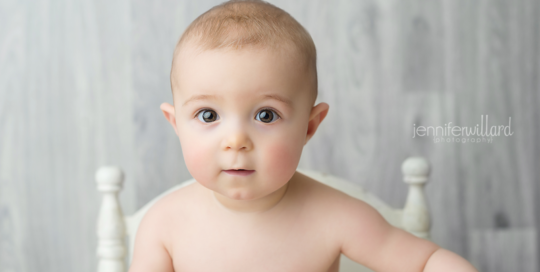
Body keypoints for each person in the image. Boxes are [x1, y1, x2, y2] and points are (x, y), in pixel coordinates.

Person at [129, 1, 478, 271]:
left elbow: (424, 262)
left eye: (266, 115)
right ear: (175, 124)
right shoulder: (164, 225)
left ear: (309, 127)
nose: (235, 141)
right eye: (208, 115)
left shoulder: (334, 216)